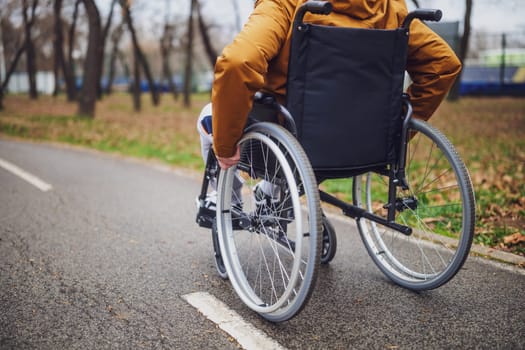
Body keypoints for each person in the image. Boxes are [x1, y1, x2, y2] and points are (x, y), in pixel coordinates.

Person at [198, 0, 461, 171]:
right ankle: (274, 195)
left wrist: (225, 146)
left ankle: (222, 198)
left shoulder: (285, 5)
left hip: (292, 140)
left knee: (211, 116)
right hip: (366, 143)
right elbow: (443, 65)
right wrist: (395, 132)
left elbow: (237, 62)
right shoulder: (389, 9)